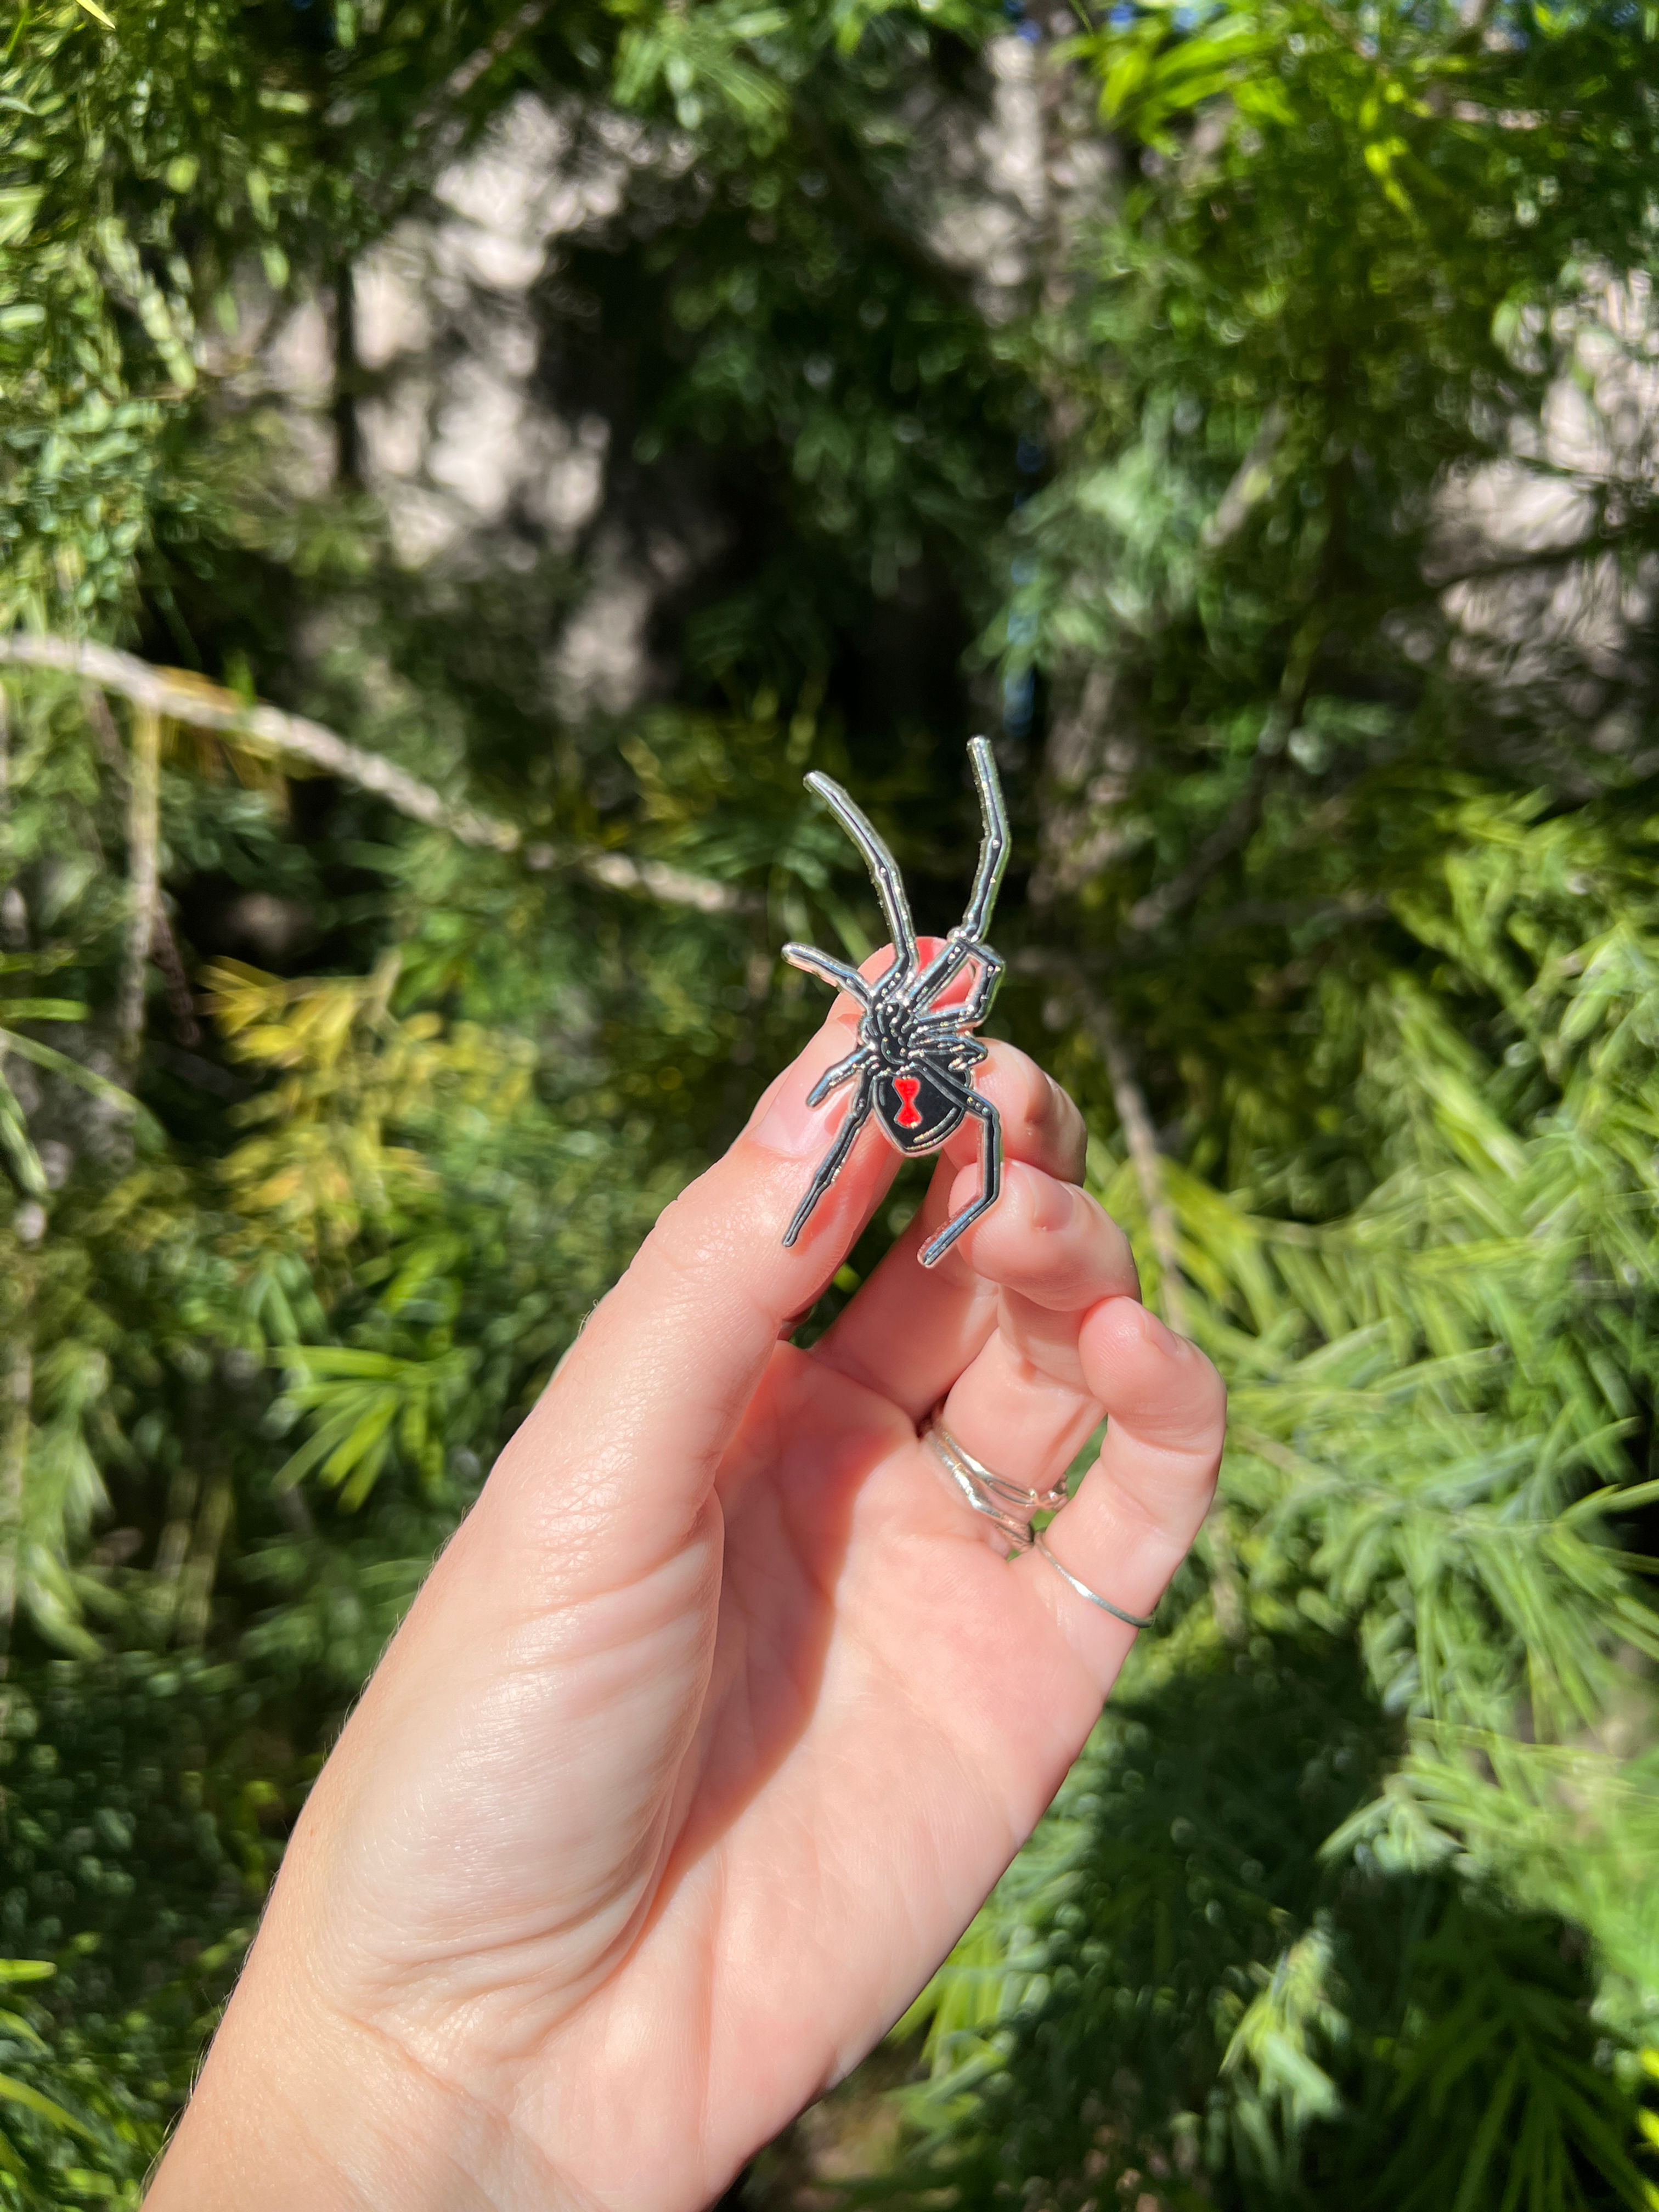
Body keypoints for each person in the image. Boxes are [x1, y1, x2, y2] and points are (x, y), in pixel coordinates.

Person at [146, 979, 1226, 2210]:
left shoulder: (915, 1053)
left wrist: (415, 2079)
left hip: (919, 1105)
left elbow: (924, 1081)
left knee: (995, 1155)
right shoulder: (893, 1055)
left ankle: (951, 1200)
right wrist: (427, 2069)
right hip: (903, 1099)